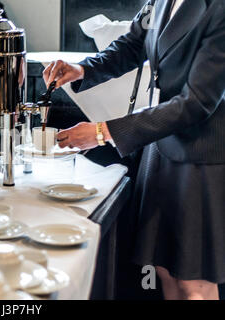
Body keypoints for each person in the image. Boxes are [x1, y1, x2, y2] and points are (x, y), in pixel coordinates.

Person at [44, 0, 224, 300]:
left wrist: (104, 132)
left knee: (195, 282)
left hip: (199, 156)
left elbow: (197, 102)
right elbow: (132, 45)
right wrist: (79, 70)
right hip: (160, 147)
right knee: (165, 268)